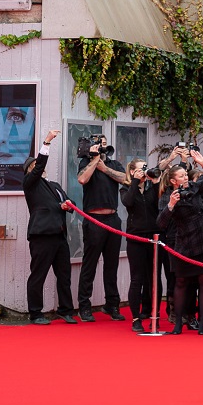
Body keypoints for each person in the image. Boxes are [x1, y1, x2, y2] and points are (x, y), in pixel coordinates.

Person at [155, 161, 203, 335]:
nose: (186, 177)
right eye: (182, 175)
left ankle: (202, 324)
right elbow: (160, 223)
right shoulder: (168, 195)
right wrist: (171, 205)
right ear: (173, 181)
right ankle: (178, 323)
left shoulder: (194, 187)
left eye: (186, 174)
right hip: (184, 243)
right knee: (181, 282)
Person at [22, 128, 74, 324]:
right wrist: (47, 142)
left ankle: (65, 310)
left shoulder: (54, 185)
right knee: (38, 275)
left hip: (59, 235)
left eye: (38, 165)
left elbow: (70, 203)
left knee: (64, 275)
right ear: (29, 171)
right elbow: (38, 165)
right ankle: (35, 313)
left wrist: (67, 206)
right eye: (34, 166)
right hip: (42, 235)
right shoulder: (30, 183)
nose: (38, 167)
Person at [74, 137, 129, 322]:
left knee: (111, 265)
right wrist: (94, 160)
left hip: (113, 219)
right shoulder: (85, 162)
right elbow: (82, 179)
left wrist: (104, 167)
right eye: (99, 143)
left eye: (104, 143)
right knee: (89, 264)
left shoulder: (113, 163)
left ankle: (112, 305)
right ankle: (84, 306)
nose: (102, 146)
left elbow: (126, 179)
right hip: (94, 218)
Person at [120, 158, 161, 332]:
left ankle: (154, 315)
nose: (144, 171)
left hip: (154, 237)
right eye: (140, 169)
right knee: (137, 278)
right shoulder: (126, 189)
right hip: (136, 237)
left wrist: (157, 182)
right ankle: (136, 318)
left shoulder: (151, 188)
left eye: (145, 167)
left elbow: (158, 204)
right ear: (132, 171)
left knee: (154, 279)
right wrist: (135, 181)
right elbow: (128, 203)